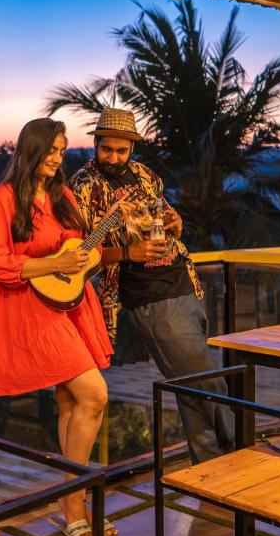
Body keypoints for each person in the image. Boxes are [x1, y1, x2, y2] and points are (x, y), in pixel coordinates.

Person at [69, 107, 233, 463]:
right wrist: (130, 251)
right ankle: (241, 451)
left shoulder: (144, 175)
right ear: (95, 144)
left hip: (182, 281)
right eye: (106, 149)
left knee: (191, 385)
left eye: (121, 150)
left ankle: (212, 465)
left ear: (132, 149)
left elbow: (162, 216)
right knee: (209, 381)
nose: (113, 157)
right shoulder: (83, 186)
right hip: (150, 296)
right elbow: (81, 253)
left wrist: (175, 222)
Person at [0, 118, 115, 536]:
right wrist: (54, 264)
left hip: (70, 305)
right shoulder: (2, 200)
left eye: (62, 149)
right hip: (30, 311)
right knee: (95, 394)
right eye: (52, 150)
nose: (59, 158)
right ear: (30, 150)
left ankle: (72, 498)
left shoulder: (63, 197)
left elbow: (79, 252)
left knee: (72, 401)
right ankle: (74, 499)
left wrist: (92, 255)